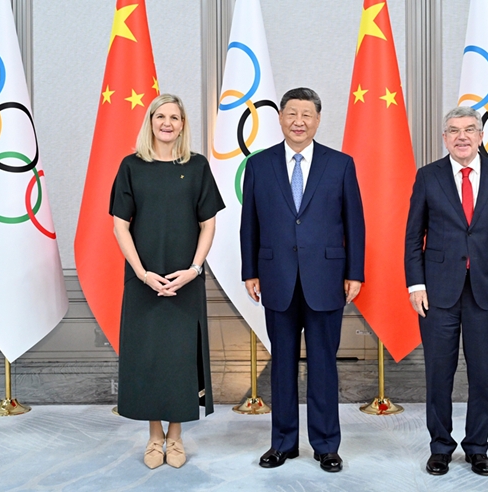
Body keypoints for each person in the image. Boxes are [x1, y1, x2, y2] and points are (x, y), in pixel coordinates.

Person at [240, 87, 365, 473]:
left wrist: (355, 273)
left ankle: (326, 445)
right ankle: (283, 443)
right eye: (291, 113)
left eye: (306, 114)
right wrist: (249, 271)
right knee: (282, 364)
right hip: (276, 277)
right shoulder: (259, 165)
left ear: (318, 119)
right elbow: (249, 223)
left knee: (324, 364)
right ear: (280, 118)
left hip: (327, 279)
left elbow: (354, 223)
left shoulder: (340, 164)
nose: (299, 121)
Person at [404, 105, 488, 477]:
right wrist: (416, 284)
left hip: (487, 290)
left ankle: (477, 448)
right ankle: (440, 447)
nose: (462, 136)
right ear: (445, 138)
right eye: (454, 130)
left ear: (480, 136)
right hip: (437, 292)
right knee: (438, 373)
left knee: (483, 374)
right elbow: (413, 237)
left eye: (469, 129)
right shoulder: (428, 176)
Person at [110, 93, 225, 469]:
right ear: (150, 121)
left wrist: (194, 269)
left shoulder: (197, 166)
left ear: (182, 125)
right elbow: (120, 226)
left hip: (185, 281)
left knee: (179, 360)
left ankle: (175, 437)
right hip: (143, 280)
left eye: (175, 117)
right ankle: (154, 436)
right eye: (161, 116)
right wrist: (143, 273)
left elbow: (208, 224)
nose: (167, 123)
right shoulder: (131, 166)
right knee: (149, 359)